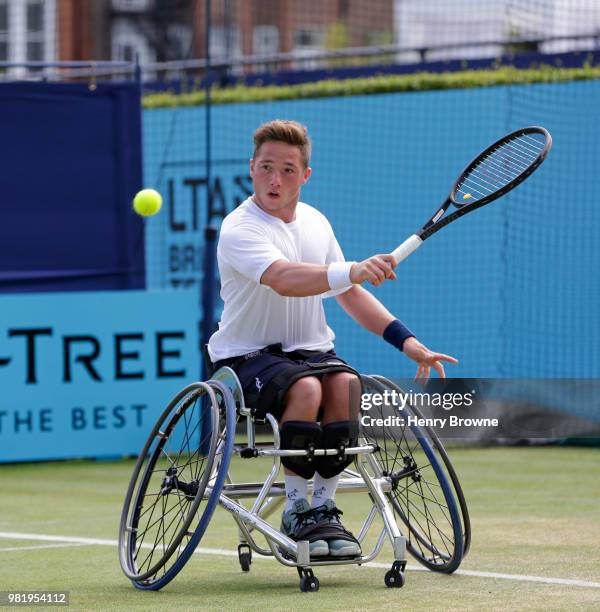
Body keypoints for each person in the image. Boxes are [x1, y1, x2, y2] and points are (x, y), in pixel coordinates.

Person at [208, 119, 457, 558]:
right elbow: (282, 278)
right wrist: (352, 269)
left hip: (312, 350)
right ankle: (296, 507)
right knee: (304, 389)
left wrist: (407, 342)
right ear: (251, 169)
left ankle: (323, 506)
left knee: (346, 385)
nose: (275, 179)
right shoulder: (239, 227)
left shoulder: (316, 222)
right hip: (248, 357)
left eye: (288, 170)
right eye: (266, 167)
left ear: (305, 175)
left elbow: (349, 293)